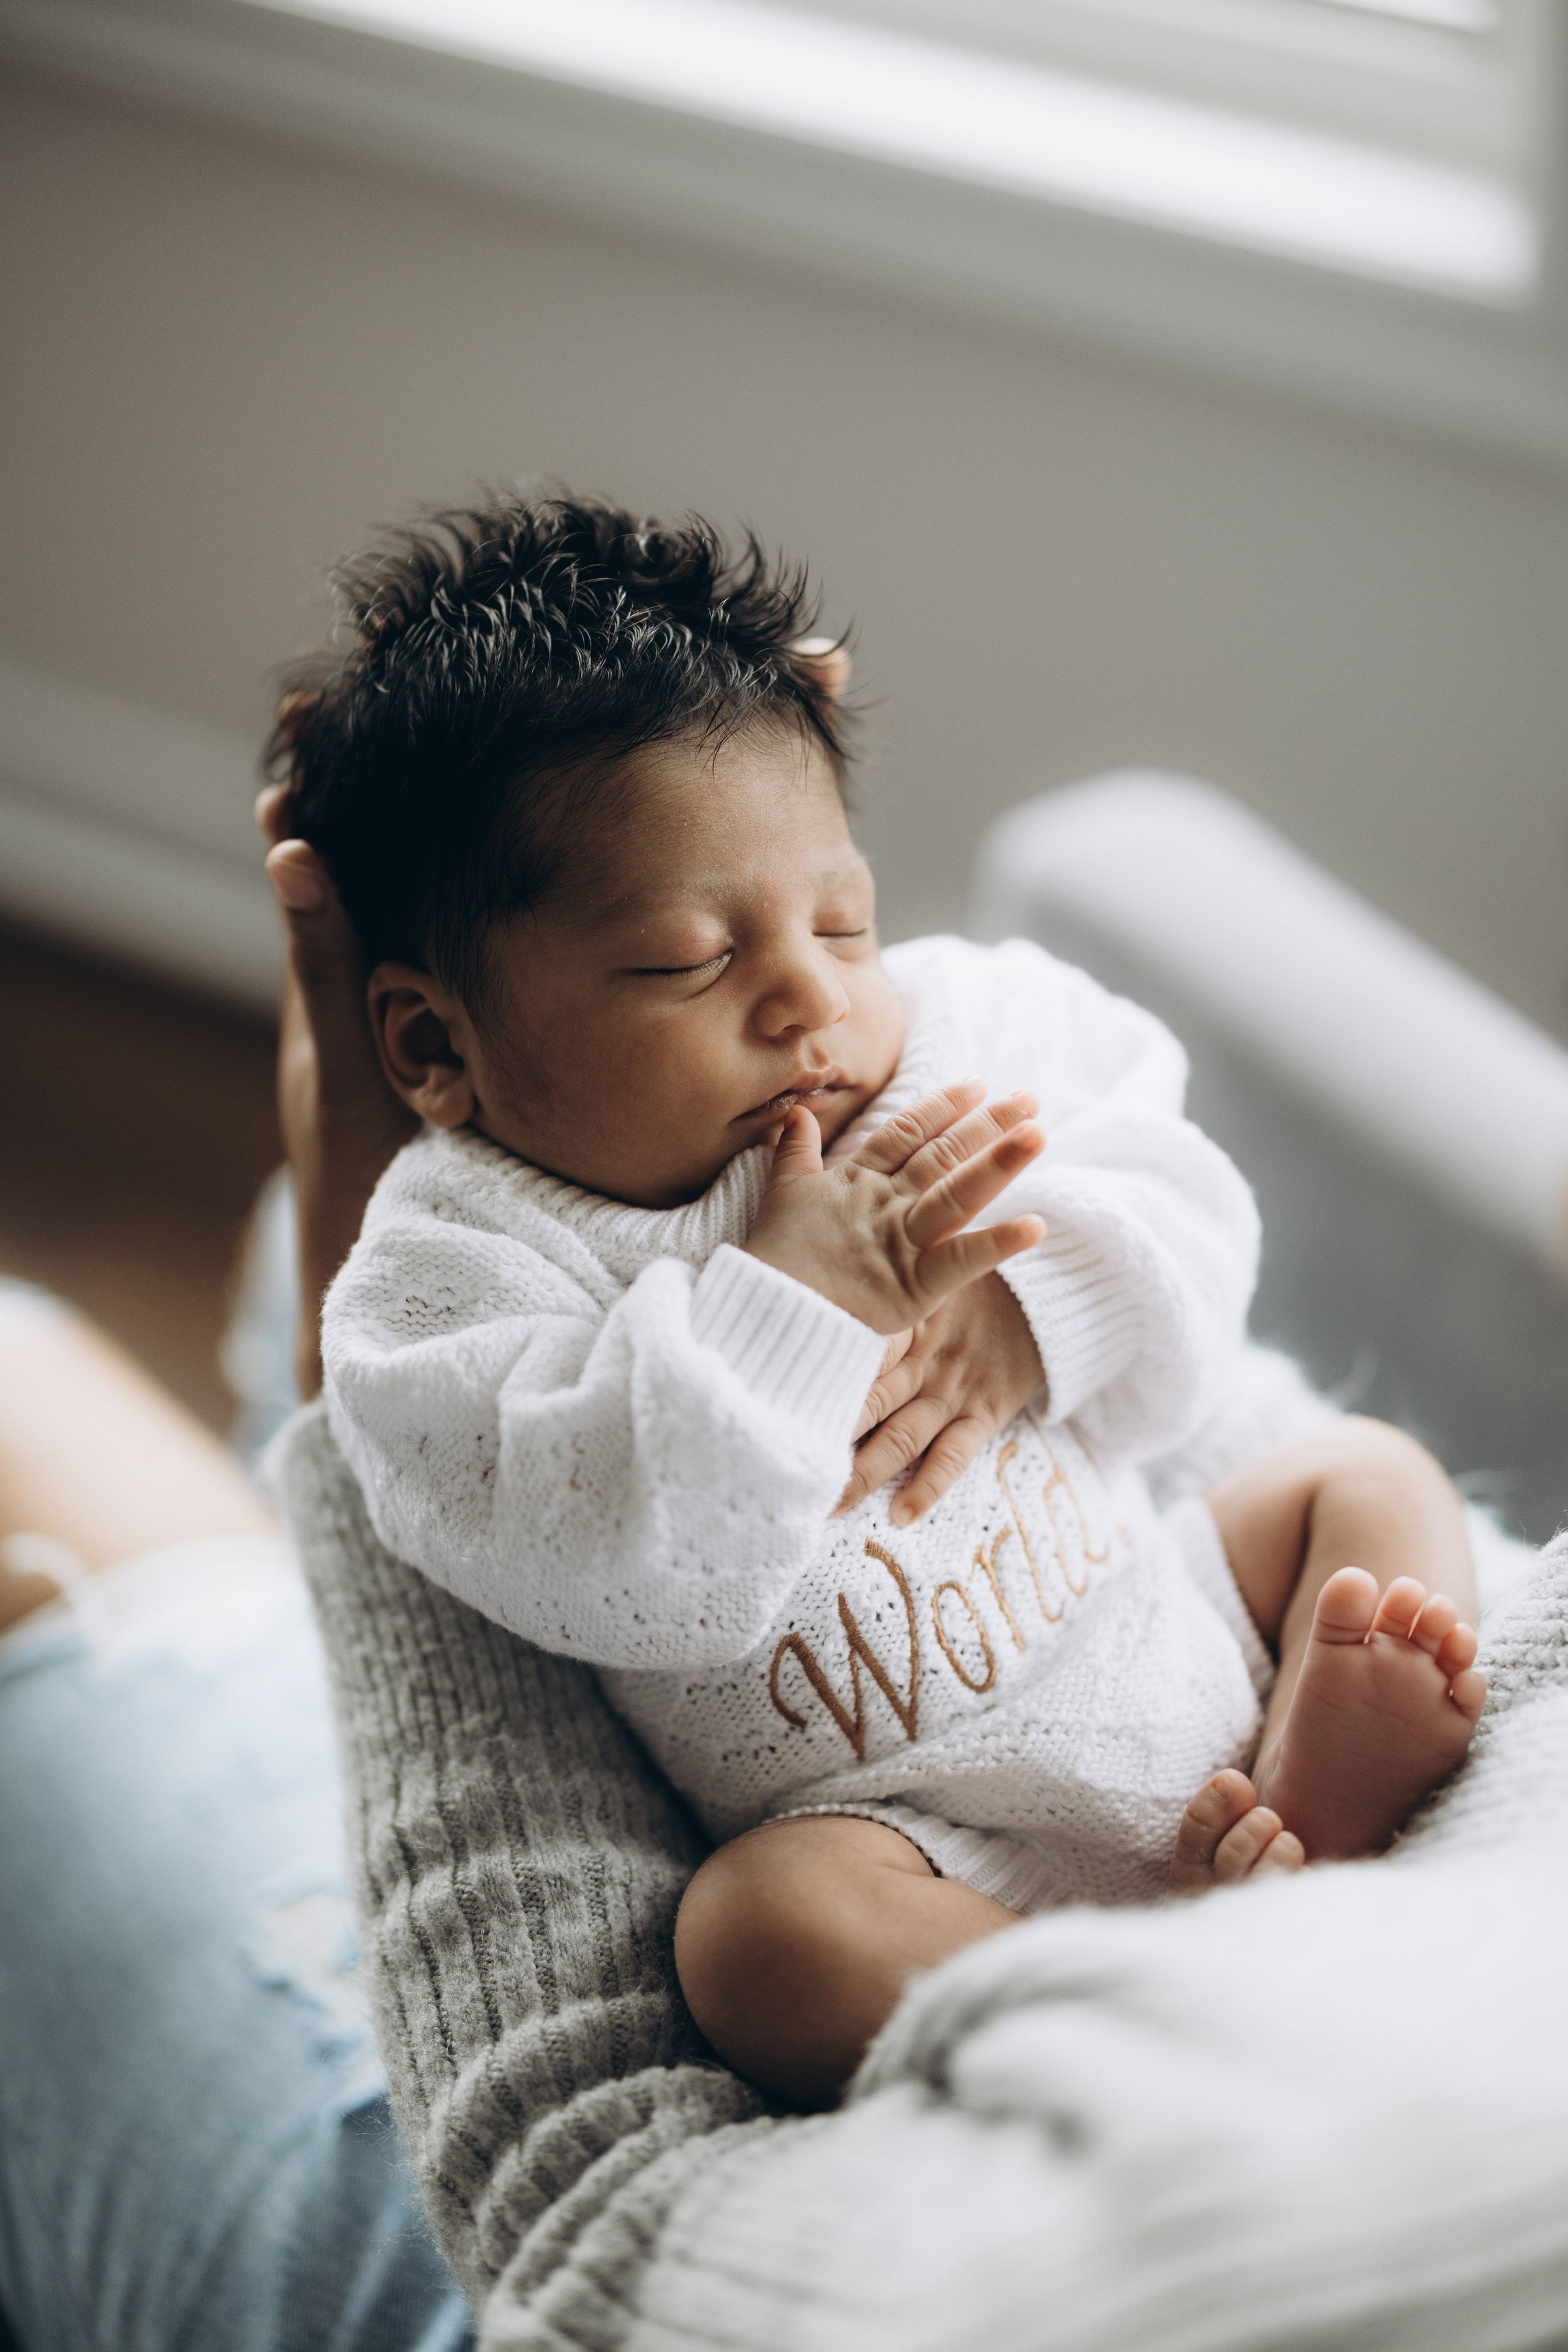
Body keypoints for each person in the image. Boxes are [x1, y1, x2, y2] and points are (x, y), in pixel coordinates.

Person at [271, 493, 1483, 2112]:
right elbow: (619, 1569)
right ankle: (1109, 1988)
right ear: (432, 1048)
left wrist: (1043, 1299)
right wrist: (793, 1301)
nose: (813, 994)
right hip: (911, 1834)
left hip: (1173, 1627)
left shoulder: (956, 1032)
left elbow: (1183, 1197)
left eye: (841, 915)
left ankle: (1298, 1809)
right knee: (750, 1942)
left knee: (1369, 1478)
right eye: (691, 958)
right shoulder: (454, 1280)